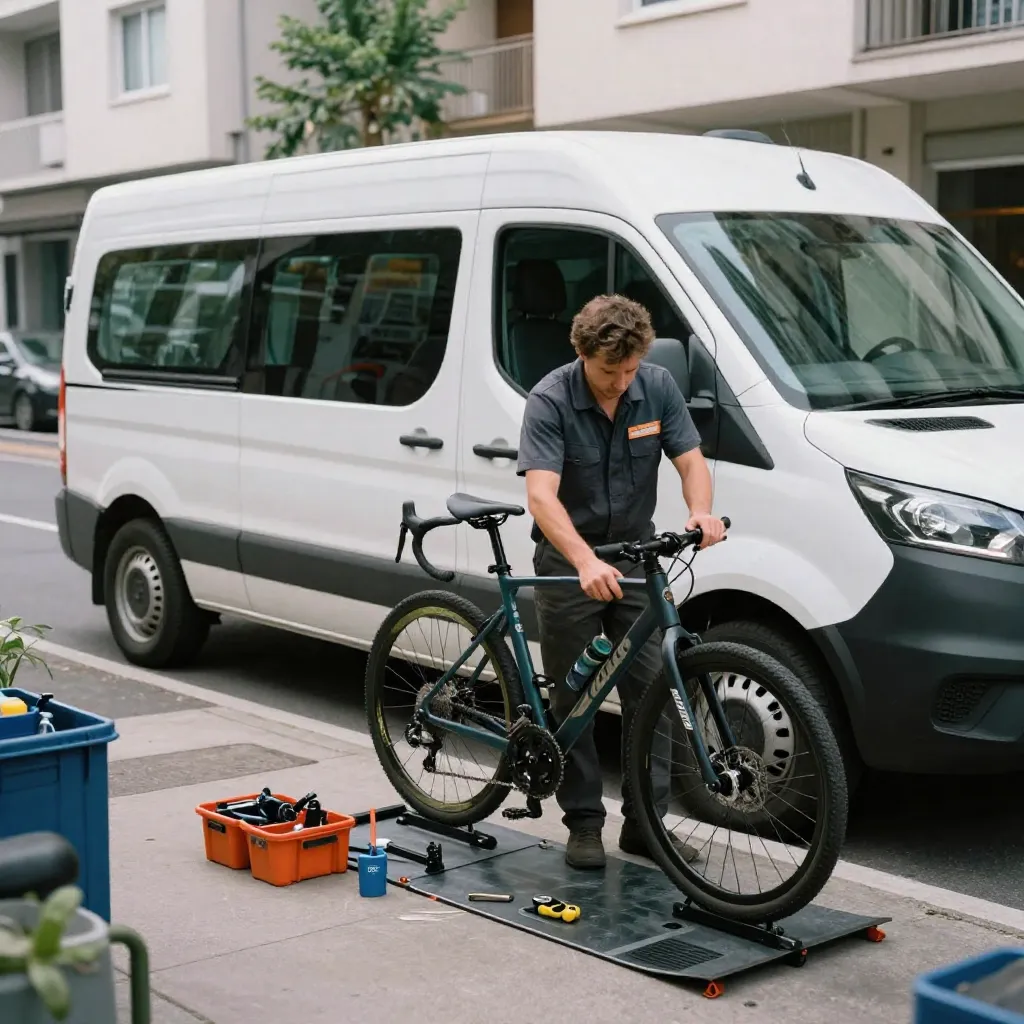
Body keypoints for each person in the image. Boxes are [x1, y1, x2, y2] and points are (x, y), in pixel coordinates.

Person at [516, 293, 728, 870]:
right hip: (569, 565)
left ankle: (647, 827)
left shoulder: (656, 386)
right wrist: (584, 560)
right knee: (575, 695)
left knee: (653, 694)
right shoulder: (550, 399)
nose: (620, 382)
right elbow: (540, 495)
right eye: (610, 371)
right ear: (582, 354)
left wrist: (701, 511)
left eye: (629, 369)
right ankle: (584, 823)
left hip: (635, 559)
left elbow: (689, 460)